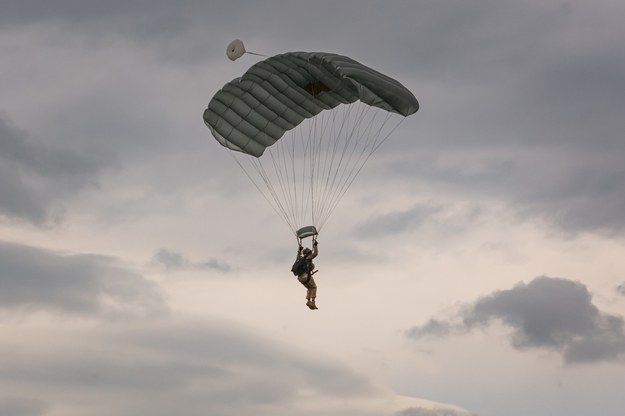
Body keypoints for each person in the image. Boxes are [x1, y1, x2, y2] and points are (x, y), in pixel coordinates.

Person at [295, 239, 319, 310]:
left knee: (309, 288)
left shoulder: (300, 258)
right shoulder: (308, 258)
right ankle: (313, 302)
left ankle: (308, 301)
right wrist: (315, 245)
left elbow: (297, 257)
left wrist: (299, 250)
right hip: (306, 277)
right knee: (314, 287)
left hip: (300, 278)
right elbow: (315, 254)